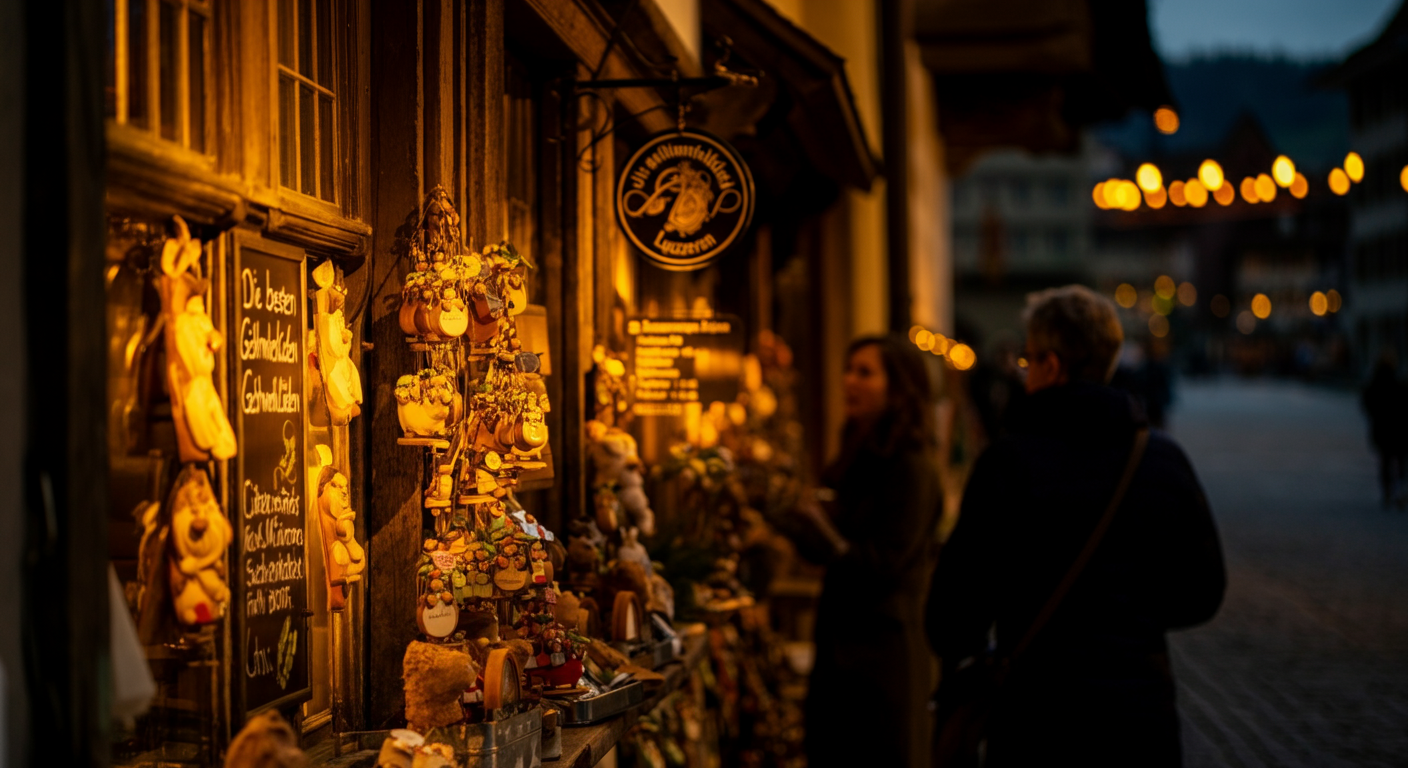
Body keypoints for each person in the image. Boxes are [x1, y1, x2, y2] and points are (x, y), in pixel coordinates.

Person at [927, 286, 1225, 767]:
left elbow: (951, 620)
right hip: (1139, 721)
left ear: (1051, 365)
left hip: (1038, 722)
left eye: (1028, 359)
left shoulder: (1006, 464)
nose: (1023, 372)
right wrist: (1129, 614)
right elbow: (1203, 591)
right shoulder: (1162, 460)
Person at [791, 335, 943, 768]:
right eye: (848, 369)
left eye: (865, 372)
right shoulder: (857, 454)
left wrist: (822, 531)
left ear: (898, 388)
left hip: (883, 661)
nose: (848, 381)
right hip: (842, 652)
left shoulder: (911, 466)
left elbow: (883, 564)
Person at [1361, 352, 1407, 508]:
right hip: (1399, 428)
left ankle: (1387, 492)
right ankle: (1399, 491)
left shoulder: (1373, 383)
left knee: (1385, 461)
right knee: (1400, 460)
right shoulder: (1399, 382)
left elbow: (1366, 404)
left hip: (1381, 427)